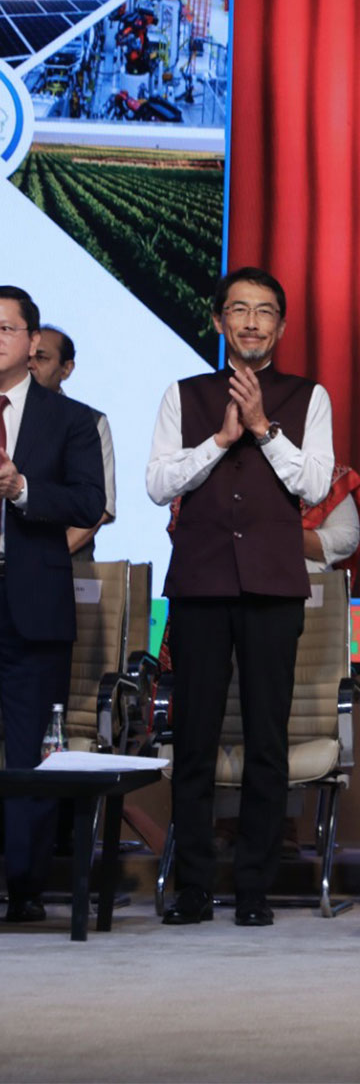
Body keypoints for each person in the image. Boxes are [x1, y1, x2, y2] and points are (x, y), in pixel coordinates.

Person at [146, 267, 334, 928]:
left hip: (273, 586)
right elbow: (157, 484)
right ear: (219, 320)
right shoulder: (185, 394)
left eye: (264, 312)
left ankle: (255, 887)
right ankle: (193, 887)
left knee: (266, 740)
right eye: (239, 310)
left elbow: (315, 486)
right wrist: (221, 440)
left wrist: (263, 428)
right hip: (199, 584)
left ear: (280, 325)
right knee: (194, 740)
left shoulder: (308, 396)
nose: (252, 322)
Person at [0, 287, 106, 923]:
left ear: (32, 341)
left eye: (5, 328)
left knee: (28, 753)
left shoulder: (70, 420)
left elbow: (88, 502)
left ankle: (24, 886)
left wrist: (22, 488)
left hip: (30, 602)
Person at [28, 325, 115, 561]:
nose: (30, 365)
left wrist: (45, 559)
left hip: (62, 568)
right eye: (26, 357)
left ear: (66, 369)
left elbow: (100, 509)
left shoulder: (90, 422)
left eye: (41, 358)